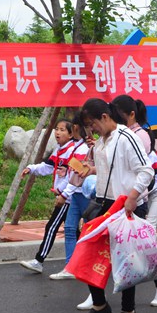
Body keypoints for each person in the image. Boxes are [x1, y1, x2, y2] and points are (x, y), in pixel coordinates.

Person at [76, 98, 156, 313]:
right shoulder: (102, 141)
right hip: (104, 203)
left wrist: (132, 198)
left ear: (104, 117)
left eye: (92, 124)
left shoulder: (127, 137)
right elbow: (109, 170)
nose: (92, 129)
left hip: (126, 204)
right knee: (89, 251)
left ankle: (128, 311)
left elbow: (146, 171)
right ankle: (100, 306)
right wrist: (89, 170)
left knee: (125, 258)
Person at [111, 95, 157, 306]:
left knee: (146, 236)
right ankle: (97, 297)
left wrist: (134, 196)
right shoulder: (120, 135)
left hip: (145, 194)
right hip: (126, 196)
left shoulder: (139, 137)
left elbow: (143, 171)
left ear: (131, 115)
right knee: (152, 231)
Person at [19, 118, 77, 274]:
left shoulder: (73, 151)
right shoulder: (59, 150)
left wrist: (64, 194)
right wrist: (31, 168)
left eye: (62, 130)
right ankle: (81, 262)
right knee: (74, 232)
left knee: (51, 227)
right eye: (57, 129)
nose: (58, 132)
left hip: (68, 198)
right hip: (65, 196)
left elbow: (73, 176)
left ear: (71, 134)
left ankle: (39, 260)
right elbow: (48, 167)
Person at [50, 113, 91, 280]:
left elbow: (79, 174)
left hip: (86, 194)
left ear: (75, 128)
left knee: (87, 232)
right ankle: (70, 267)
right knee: (70, 229)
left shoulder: (84, 147)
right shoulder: (76, 146)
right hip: (76, 195)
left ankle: (86, 266)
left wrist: (64, 194)